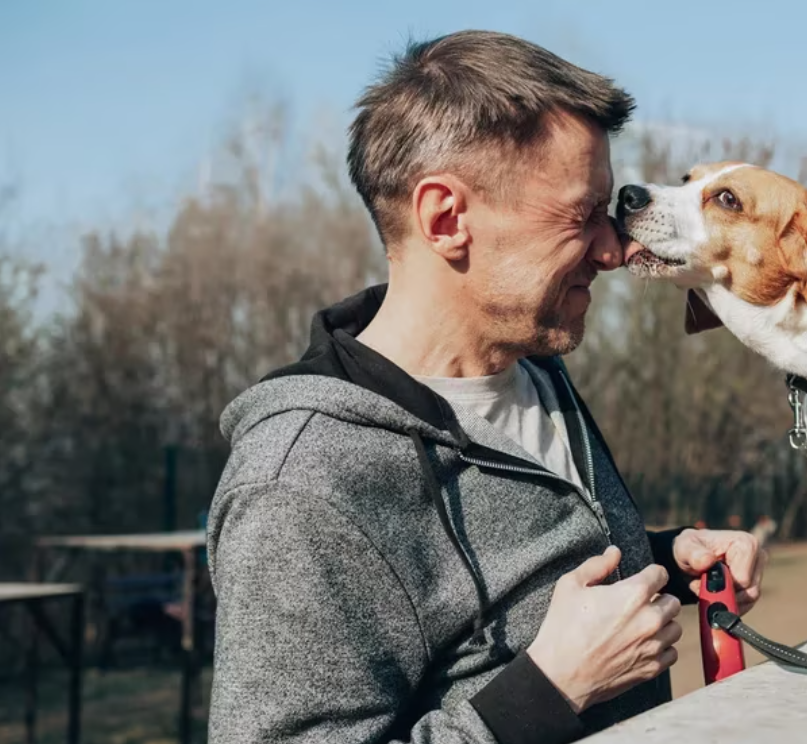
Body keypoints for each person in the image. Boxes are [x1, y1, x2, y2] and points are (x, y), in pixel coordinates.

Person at [205, 29, 768, 744]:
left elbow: (502, 602)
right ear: (446, 219)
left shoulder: (532, 369)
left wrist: (661, 559)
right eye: (581, 214)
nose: (617, 249)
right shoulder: (300, 487)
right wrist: (548, 691)